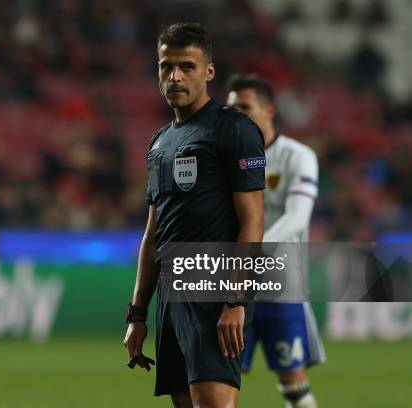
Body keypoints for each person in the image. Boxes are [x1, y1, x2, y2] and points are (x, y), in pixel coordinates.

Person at [123, 23, 265, 408]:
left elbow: (253, 220)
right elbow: (152, 234)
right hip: (172, 293)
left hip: (214, 286)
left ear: (209, 72)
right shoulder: (159, 143)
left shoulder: (233, 129)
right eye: (165, 66)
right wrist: (137, 314)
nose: (175, 76)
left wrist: (236, 300)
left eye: (187, 66)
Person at [226, 74, 326, 408]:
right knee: (218, 379)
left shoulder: (297, 156)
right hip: (233, 288)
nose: (236, 114)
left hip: (282, 285)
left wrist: (251, 251)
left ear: (268, 110)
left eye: (244, 106)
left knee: (293, 383)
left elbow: (297, 218)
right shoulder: (222, 158)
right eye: (230, 108)